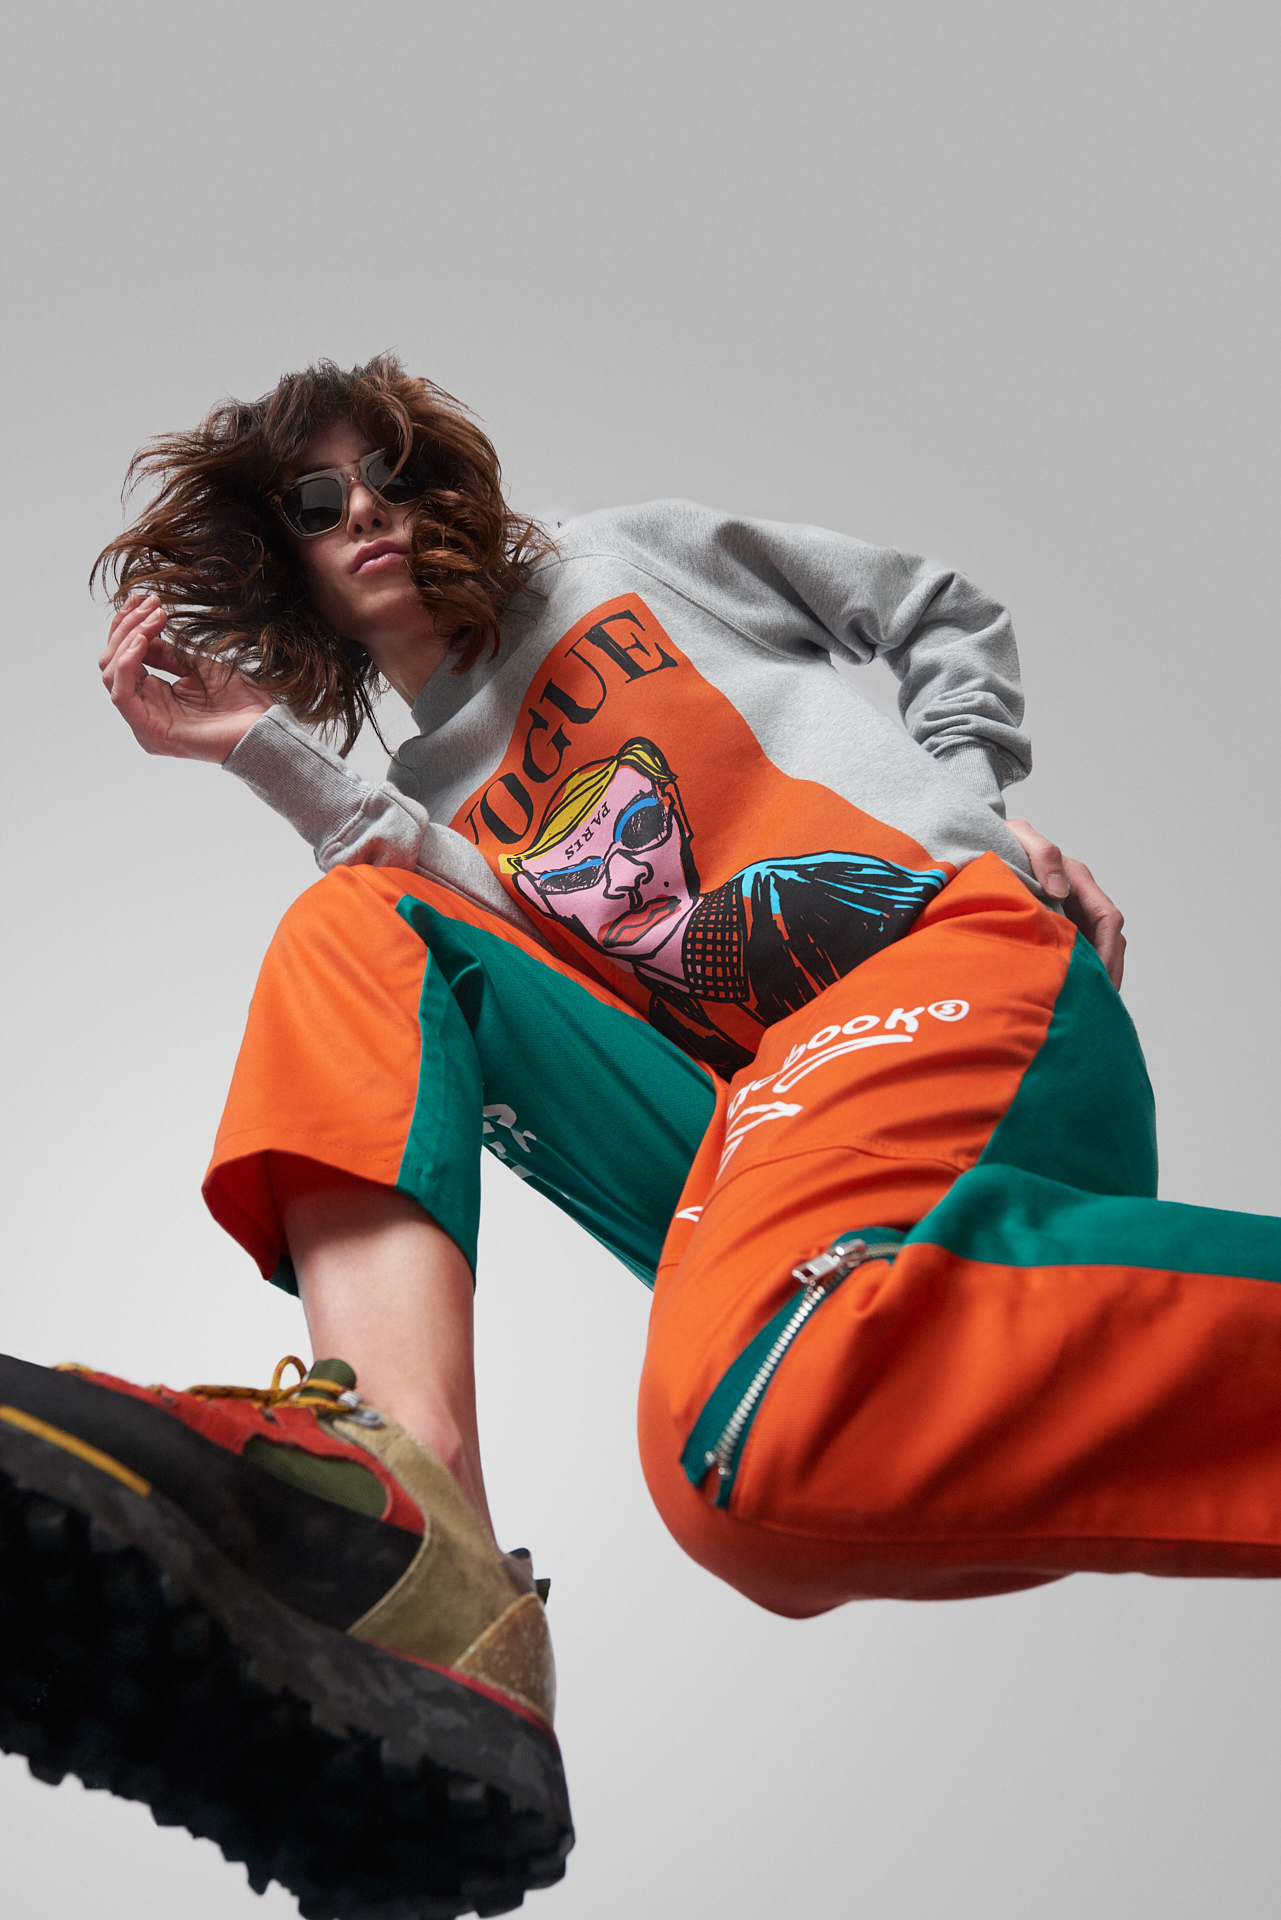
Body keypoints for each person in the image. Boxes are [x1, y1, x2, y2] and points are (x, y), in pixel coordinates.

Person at [4, 352, 1279, 1920]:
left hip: (932, 978)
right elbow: (441, 918)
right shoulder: (427, 788)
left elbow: (929, 605)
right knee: (747, 1469)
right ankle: (415, 1520)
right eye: (319, 504)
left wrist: (968, 802)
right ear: (291, 565)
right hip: (764, 1125)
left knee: (770, 1414)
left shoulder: (615, 557)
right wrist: (256, 743)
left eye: (387, 473)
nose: (367, 514)